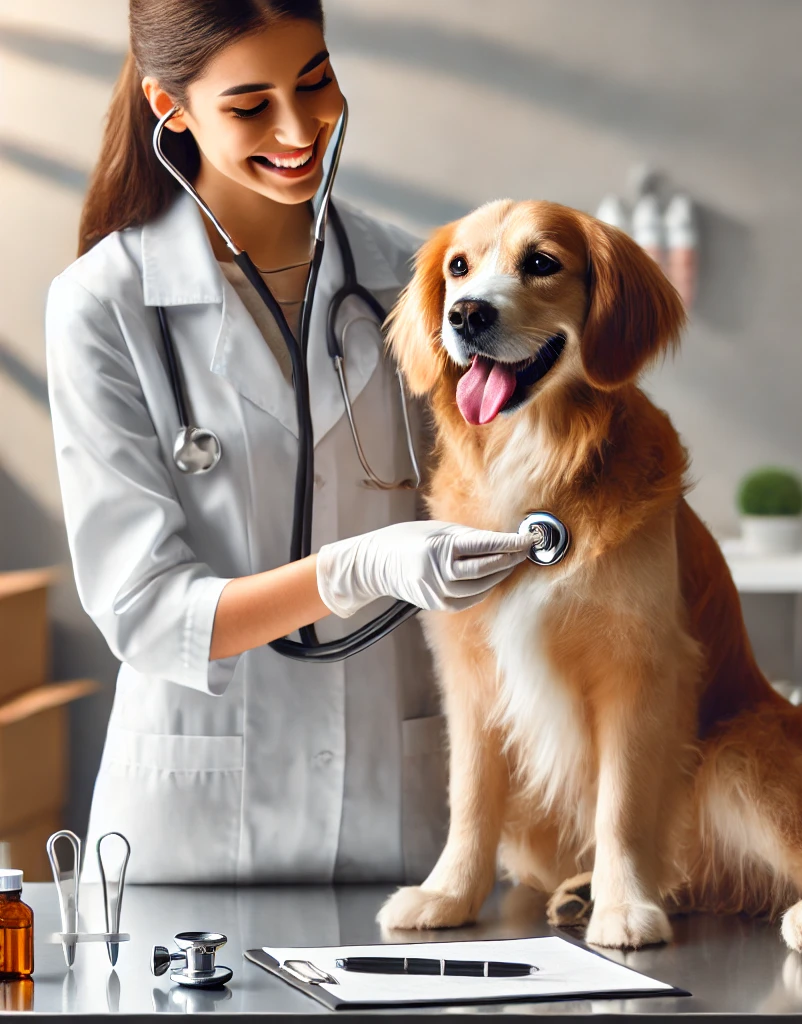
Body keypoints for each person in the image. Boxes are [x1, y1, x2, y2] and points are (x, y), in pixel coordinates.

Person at [44, 0, 531, 884]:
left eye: (316, 82)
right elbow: (146, 611)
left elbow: (512, 486)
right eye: (250, 105)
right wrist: (361, 567)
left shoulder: (416, 284)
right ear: (171, 108)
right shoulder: (105, 304)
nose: (299, 128)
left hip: (409, 820)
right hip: (195, 835)